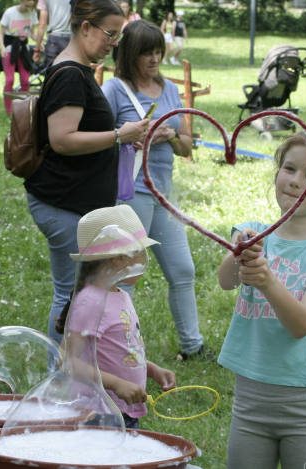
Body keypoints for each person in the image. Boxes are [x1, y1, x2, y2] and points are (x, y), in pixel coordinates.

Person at [217, 130, 306, 469]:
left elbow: (302, 323)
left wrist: (267, 281)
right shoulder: (251, 231)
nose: (296, 181)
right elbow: (225, 281)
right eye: (290, 169)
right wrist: (239, 253)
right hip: (250, 402)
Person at [24, 0, 150, 345]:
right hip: (62, 203)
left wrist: (119, 138)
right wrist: (119, 135)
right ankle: (59, 381)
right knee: (72, 300)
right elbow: (62, 139)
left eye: (118, 36)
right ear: (85, 28)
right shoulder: (70, 75)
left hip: (73, 203)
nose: (114, 43)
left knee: (76, 297)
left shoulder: (77, 70)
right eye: (110, 34)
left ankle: (69, 377)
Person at [101, 20, 208, 360]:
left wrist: (170, 135)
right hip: (131, 193)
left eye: (159, 51)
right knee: (126, 274)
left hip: (164, 193)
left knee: (183, 271)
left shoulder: (170, 90)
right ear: (130, 53)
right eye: (147, 52)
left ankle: (193, 346)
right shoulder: (115, 89)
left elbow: (188, 146)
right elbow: (101, 141)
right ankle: (119, 349)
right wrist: (132, 135)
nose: (155, 58)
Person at [55, 204, 176, 429]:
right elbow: (67, 360)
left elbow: (119, 351)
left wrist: (151, 369)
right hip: (96, 413)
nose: (145, 258)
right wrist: (116, 384)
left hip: (120, 410)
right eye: (140, 251)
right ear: (117, 259)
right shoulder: (90, 301)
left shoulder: (119, 295)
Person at [0, 0, 38, 115]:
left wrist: (39, 42)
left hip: (23, 48)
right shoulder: (10, 13)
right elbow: (0, 33)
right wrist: (2, 48)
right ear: (20, 1)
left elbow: (32, 33)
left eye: (30, 7)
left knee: (25, 80)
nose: (28, 9)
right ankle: (9, 111)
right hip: (10, 48)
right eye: (26, 6)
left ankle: (22, 110)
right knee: (9, 80)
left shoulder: (33, 13)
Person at [33, 0, 72, 70]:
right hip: (74, 39)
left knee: (53, 74)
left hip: (54, 40)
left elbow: (42, 25)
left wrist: (37, 50)